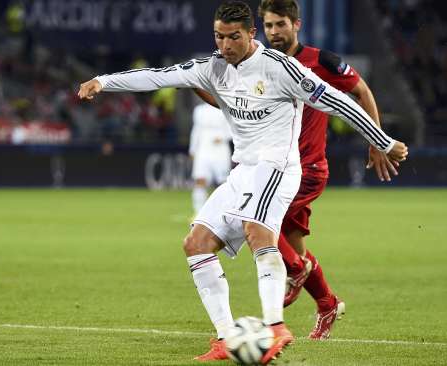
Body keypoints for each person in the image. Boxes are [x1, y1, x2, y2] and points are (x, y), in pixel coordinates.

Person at [78, 1, 408, 363]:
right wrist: (104, 82)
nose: (225, 45)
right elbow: (159, 75)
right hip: (244, 169)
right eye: (219, 37)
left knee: (258, 230)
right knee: (196, 243)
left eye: (233, 37)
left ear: (252, 34)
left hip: (279, 167)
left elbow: (338, 102)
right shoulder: (213, 68)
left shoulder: (283, 68)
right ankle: (226, 337)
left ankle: (275, 328)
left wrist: (384, 142)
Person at [189, 102, 232, 214]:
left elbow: (233, 129)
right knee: (200, 180)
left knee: (223, 183)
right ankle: (198, 214)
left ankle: (222, 213)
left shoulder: (225, 107)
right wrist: (192, 149)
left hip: (220, 150)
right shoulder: (199, 110)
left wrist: (222, 137)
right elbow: (196, 130)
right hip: (203, 148)